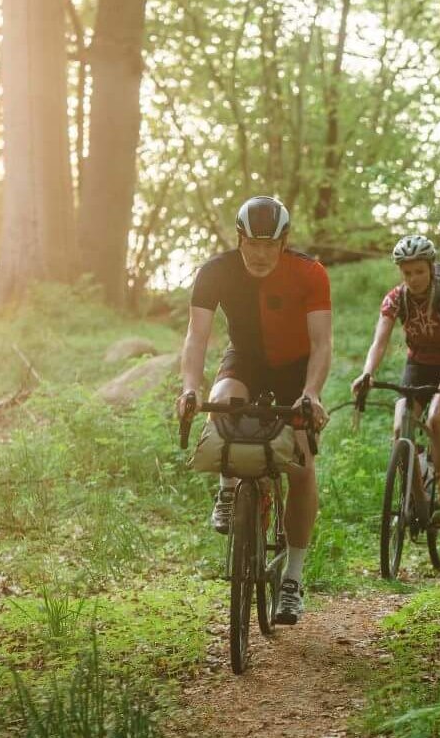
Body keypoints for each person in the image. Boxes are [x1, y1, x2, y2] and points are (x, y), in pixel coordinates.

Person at [175, 196, 331, 626]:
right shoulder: (215, 271)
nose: (261, 254)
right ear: (239, 238)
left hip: (296, 369)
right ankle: (229, 489)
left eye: (270, 244)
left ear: (284, 240)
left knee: (301, 464)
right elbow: (196, 338)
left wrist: (312, 393)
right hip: (245, 359)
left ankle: (292, 579)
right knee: (222, 400)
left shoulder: (309, 273)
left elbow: (322, 343)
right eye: (252, 244)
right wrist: (190, 387)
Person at [350, 234, 440, 528]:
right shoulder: (395, 298)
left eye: (419, 271)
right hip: (418, 364)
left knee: (435, 421)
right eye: (407, 272)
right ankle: (417, 495)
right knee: (399, 426)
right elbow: (379, 342)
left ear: (431, 267)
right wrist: (367, 372)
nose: (414, 278)